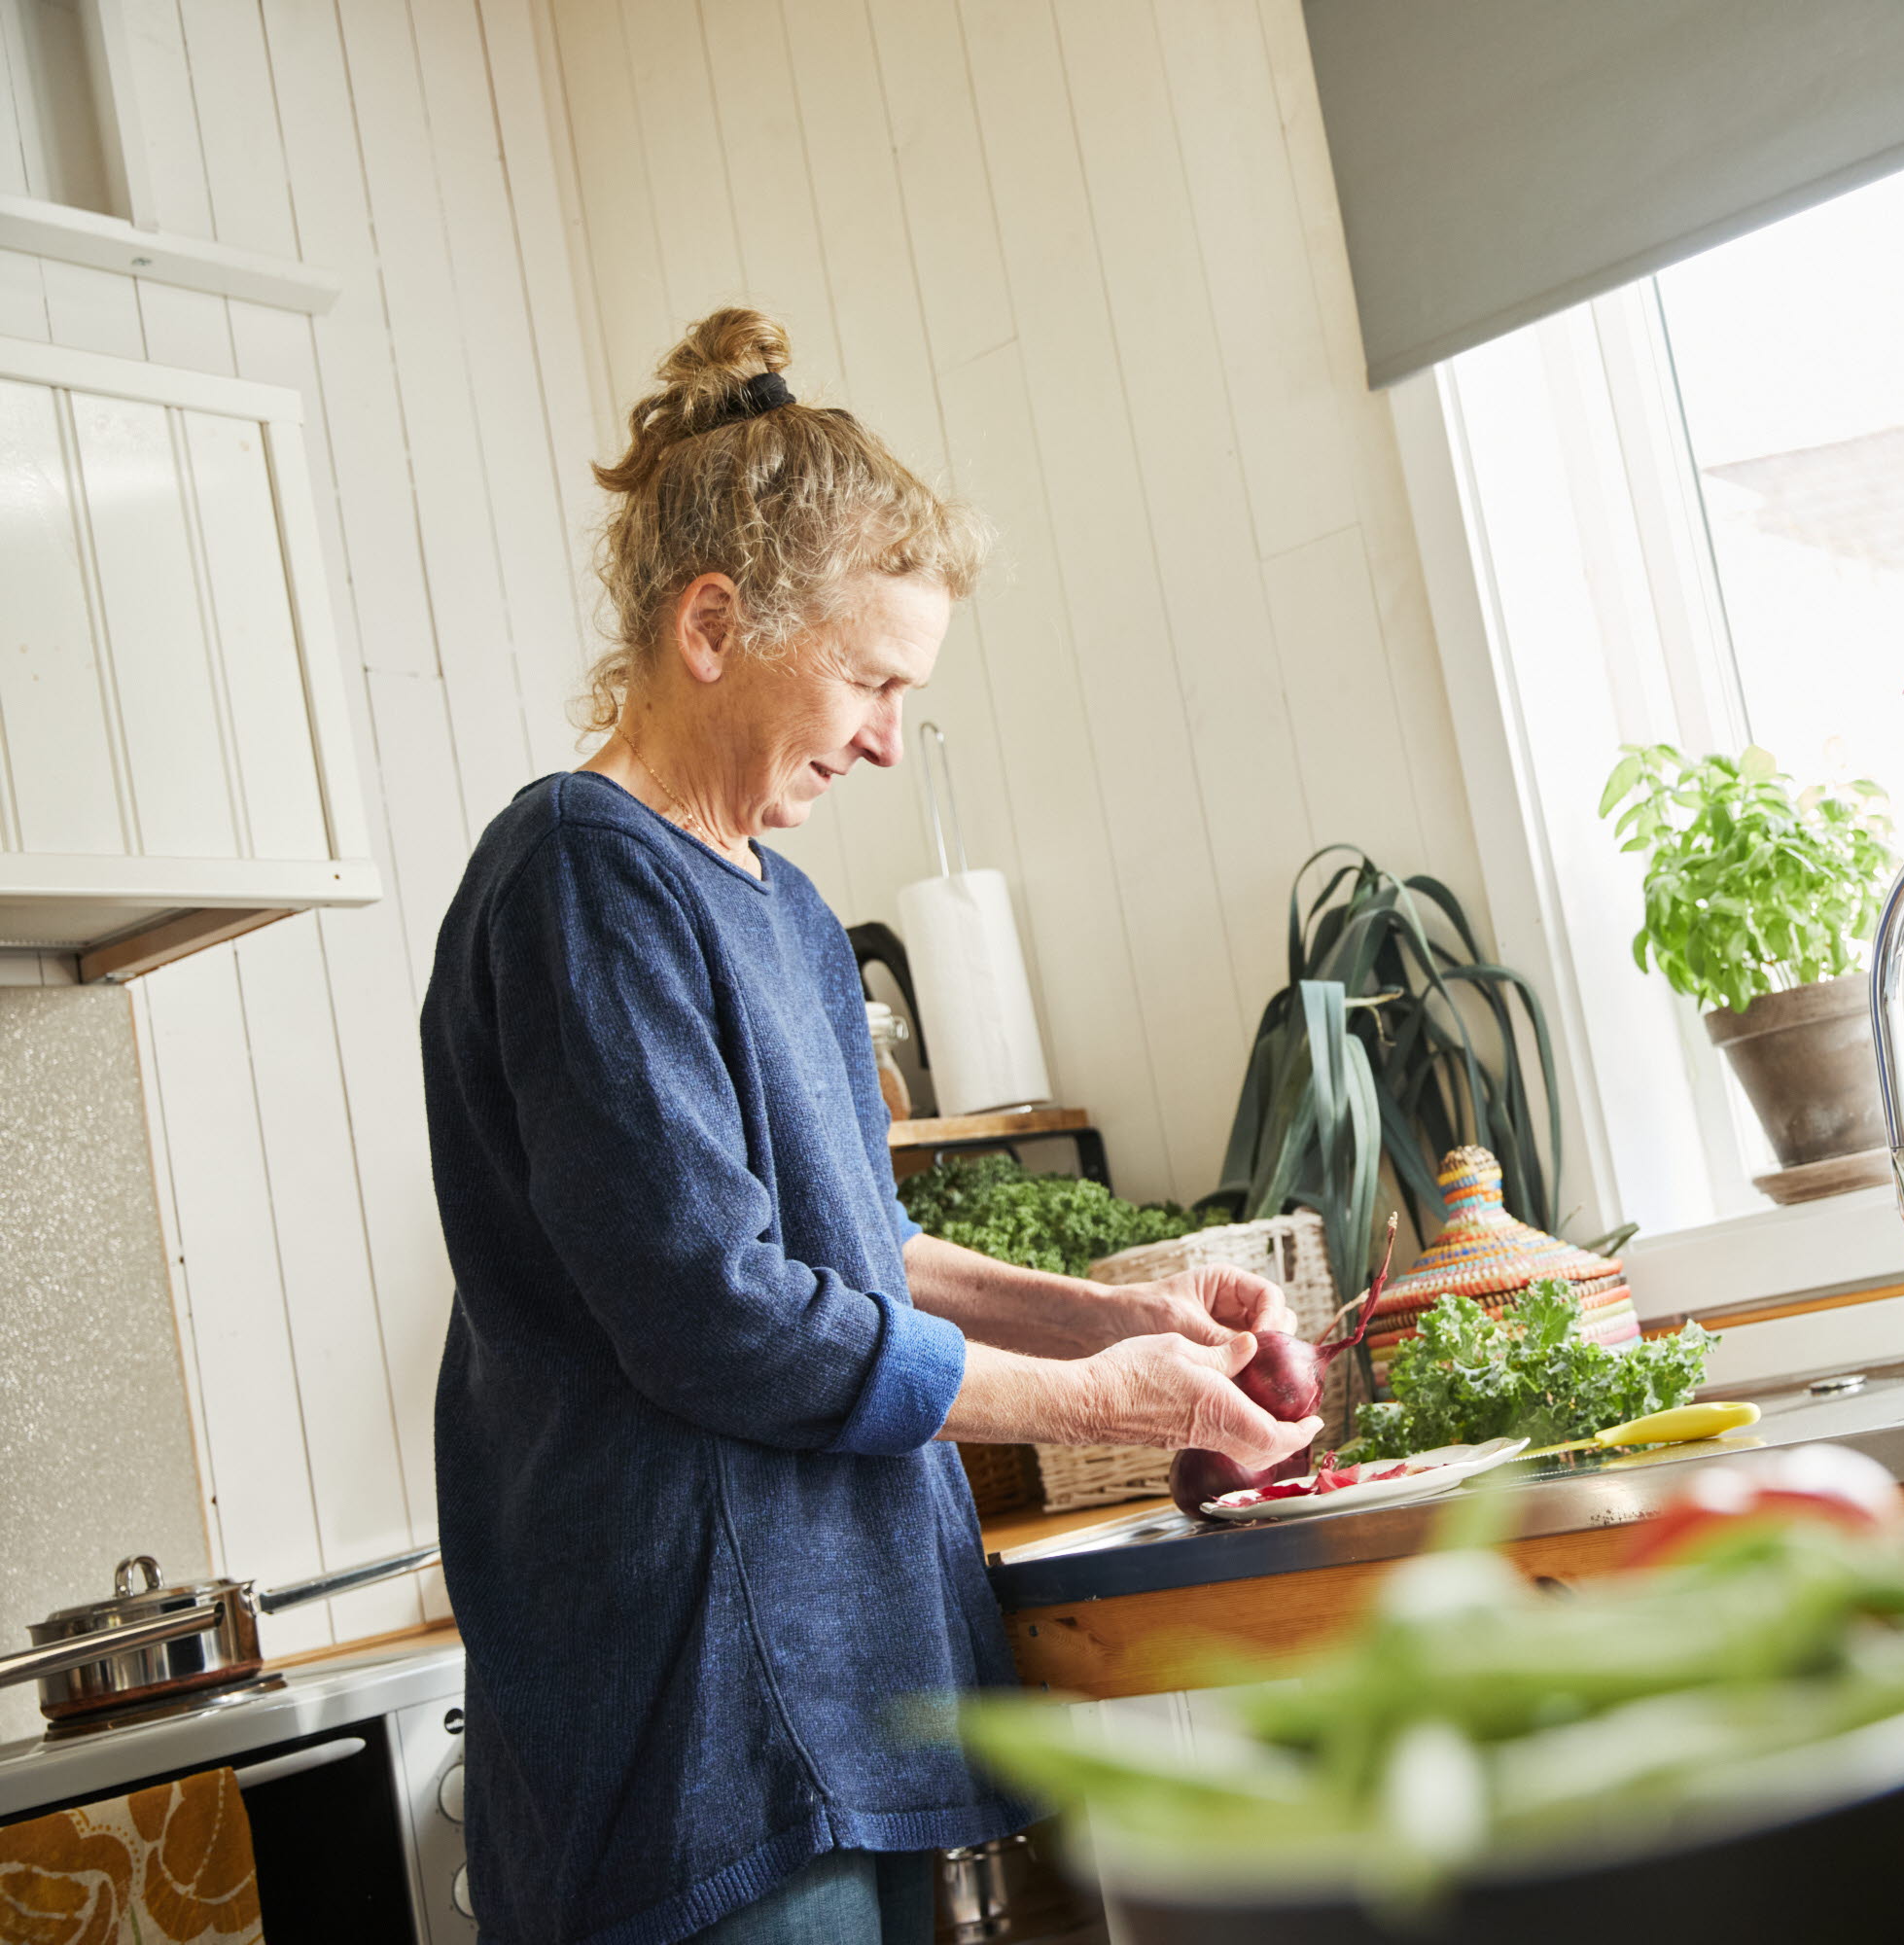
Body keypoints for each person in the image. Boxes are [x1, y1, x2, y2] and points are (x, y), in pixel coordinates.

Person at [420, 308, 1320, 1945]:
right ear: (711, 625)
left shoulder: (784, 905)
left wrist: (1119, 1315)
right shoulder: (583, 873)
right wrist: (1088, 1396)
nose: (889, 736)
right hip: (699, 1714)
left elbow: (856, 1248)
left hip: (846, 1671)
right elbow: (720, 1311)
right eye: (866, 677)